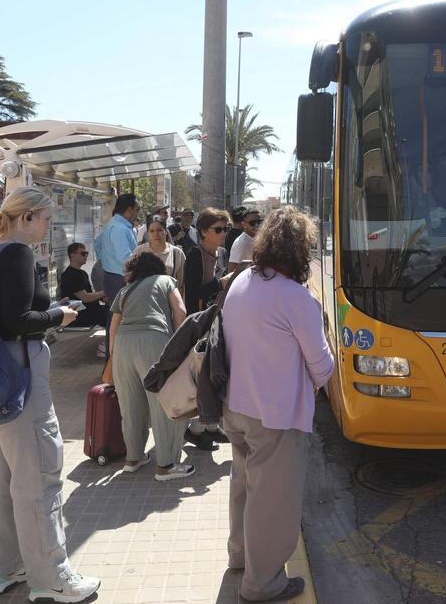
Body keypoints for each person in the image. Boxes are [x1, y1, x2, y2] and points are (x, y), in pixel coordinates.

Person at [0, 186, 100, 603]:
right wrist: (59, 315)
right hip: (20, 378)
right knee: (40, 478)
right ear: (27, 217)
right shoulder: (19, 253)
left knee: (2, 477)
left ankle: (4, 567)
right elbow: (19, 320)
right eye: (47, 219)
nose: (50, 228)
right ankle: (51, 577)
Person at [220, 206, 333, 602]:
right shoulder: (297, 299)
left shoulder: (242, 282)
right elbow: (321, 367)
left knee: (245, 486)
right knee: (272, 500)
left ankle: (240, 558)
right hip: (275, 414)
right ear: (300, 252)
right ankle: (262, 583)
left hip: (234, 405)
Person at [100, 251, 194, 481]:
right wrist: (177, 345)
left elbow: (113, 327)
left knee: (130, 406)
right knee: (164, 404)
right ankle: (166, 466)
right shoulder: (165, 281)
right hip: (154, 342)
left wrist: (114, 356)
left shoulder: (125, 291)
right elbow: (180, 311)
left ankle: (133, 458)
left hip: (122, 345)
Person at [182, 207, 234, 451]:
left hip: (220, 320)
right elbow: (191, 294)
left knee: (214, 372)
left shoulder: (222, 253)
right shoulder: (193, 255)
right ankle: (197, 428)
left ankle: (210, 426)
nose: (224, 233)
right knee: (202, 374)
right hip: (200, 323)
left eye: (226, 229)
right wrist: (219, 282)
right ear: (203, 232)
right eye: (218, 229)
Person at [93, 193, 139, 328]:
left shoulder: (117, 224)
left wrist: (107, 261)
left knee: (115, 322)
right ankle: (113, 349)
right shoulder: (119, 228)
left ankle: (112, 349)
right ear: (129, 210)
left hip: (115, 277)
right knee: (118, 324)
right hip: (119, 280)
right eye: (137, 209)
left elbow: (97, 244)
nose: (137, 213)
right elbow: (125, 258)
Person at [57, 242, 107, 332]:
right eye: (83, 253)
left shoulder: (82, 273)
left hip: (92, 311)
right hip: (81, 316)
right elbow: (85, 297)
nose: (86, 256)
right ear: (73, 255)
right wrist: (106, 291)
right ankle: (110, 343)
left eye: (87, 253)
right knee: (114, 316)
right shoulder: (70, 275)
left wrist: (103, 298)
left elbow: (90, 294)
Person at [131, 216, 186, 294]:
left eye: (159, 230)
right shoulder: (140, 251)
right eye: (152, 231)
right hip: (145, 300)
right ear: (148, 233)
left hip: (168, 300)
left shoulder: (177, 253)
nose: (156, 234)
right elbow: (131, 280)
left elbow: (181, 284)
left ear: (165, 231)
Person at [227, 206, 261, 273]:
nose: (257, 225)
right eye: (252, 223)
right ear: (243, 224)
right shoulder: (241, 243)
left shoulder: (259, 239)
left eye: (259, 221)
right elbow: (231, 272)